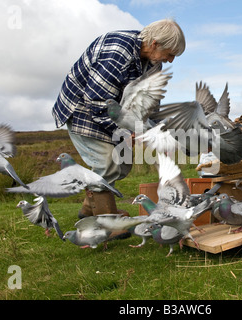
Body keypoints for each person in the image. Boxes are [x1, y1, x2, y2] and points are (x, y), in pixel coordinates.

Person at [52, 19, 186, 218]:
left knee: (122, 164)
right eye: (170, 53)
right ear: (155, 43)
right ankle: (106, 220)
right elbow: (96, 101)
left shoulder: (153, 63)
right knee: (108, 163)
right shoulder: (117, 53)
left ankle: (90, 210)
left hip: (113, 112)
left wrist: (156, 131)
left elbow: (149, 104)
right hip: (83, 108)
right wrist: (123, 133)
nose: (171, 60)